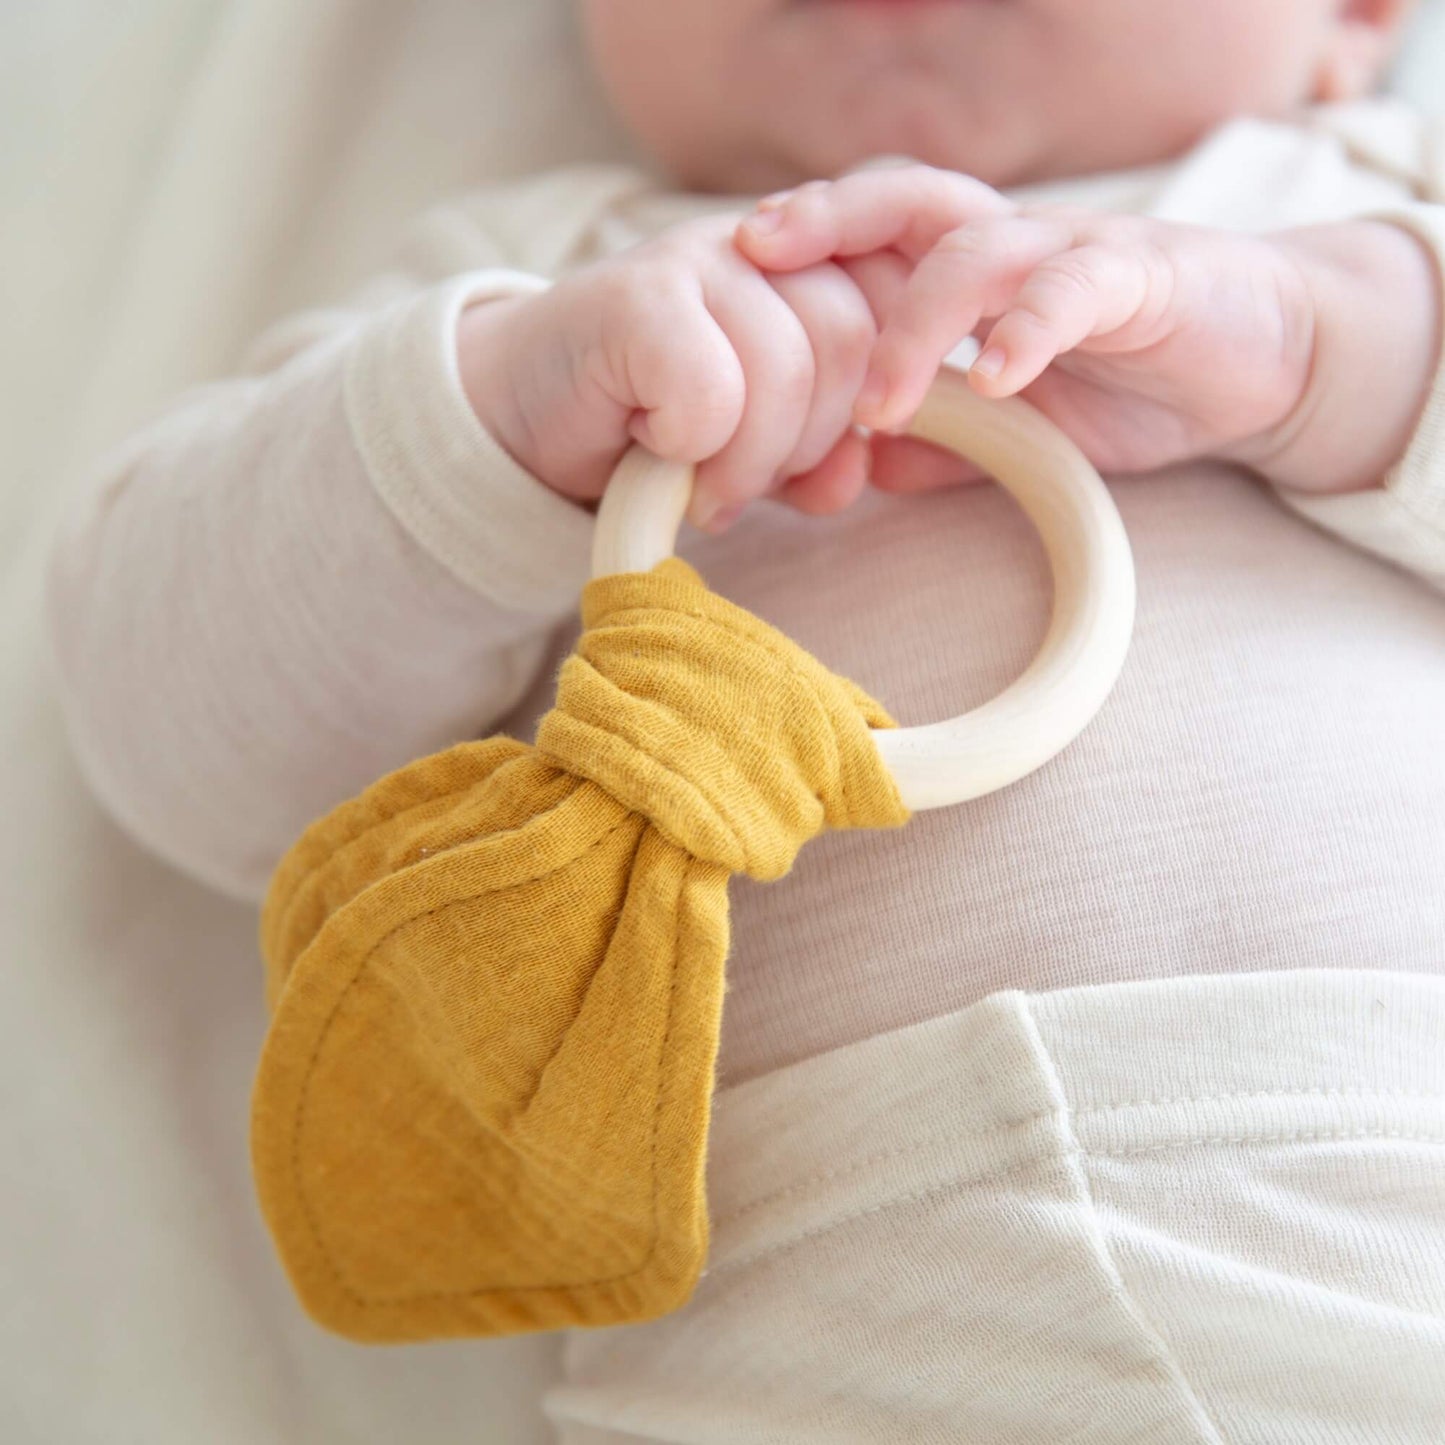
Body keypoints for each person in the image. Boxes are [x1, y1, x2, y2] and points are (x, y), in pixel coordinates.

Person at [44, 1, 1445, 1437]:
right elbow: (178, 742)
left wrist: (1322, 351)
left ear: (1355, 17)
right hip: (795, 1298)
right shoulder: (529, 287)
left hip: (1392, 1178)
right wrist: (496, 423)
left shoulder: (1367, 212)